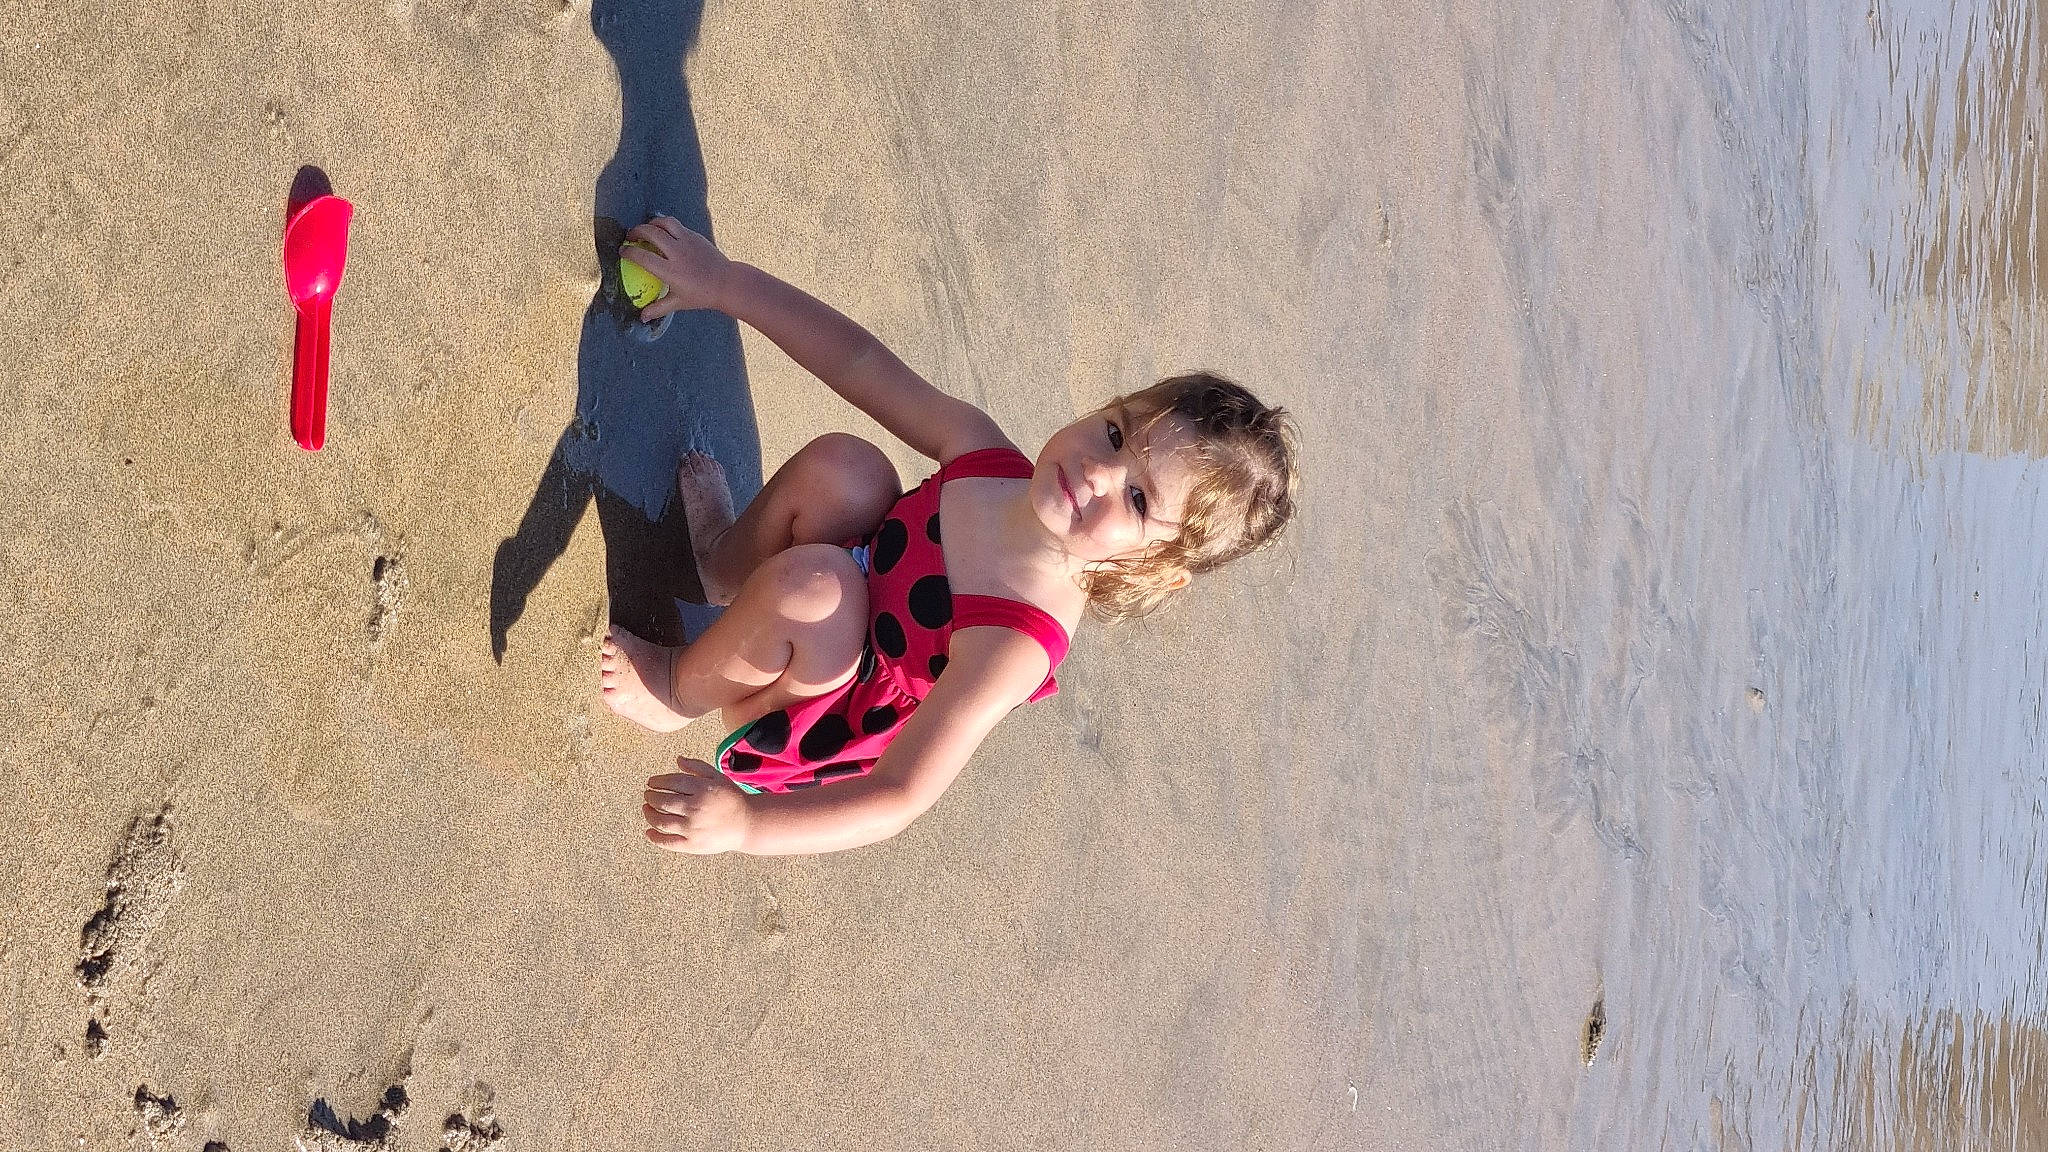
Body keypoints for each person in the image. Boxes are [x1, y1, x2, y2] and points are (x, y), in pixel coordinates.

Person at [598, 216, 1298, 856]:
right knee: (849, 469)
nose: (1097, 472)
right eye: (1114, 434)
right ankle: (721, 564)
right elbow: (860, 364)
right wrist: (727, 284)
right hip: (821, 601)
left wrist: (746, 827)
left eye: (1139, 498)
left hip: (805, 720)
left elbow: (898, 796)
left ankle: (675, 689)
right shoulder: (985, 459)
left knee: (822, 586)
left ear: (1156, 564)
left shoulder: (1017, 643)